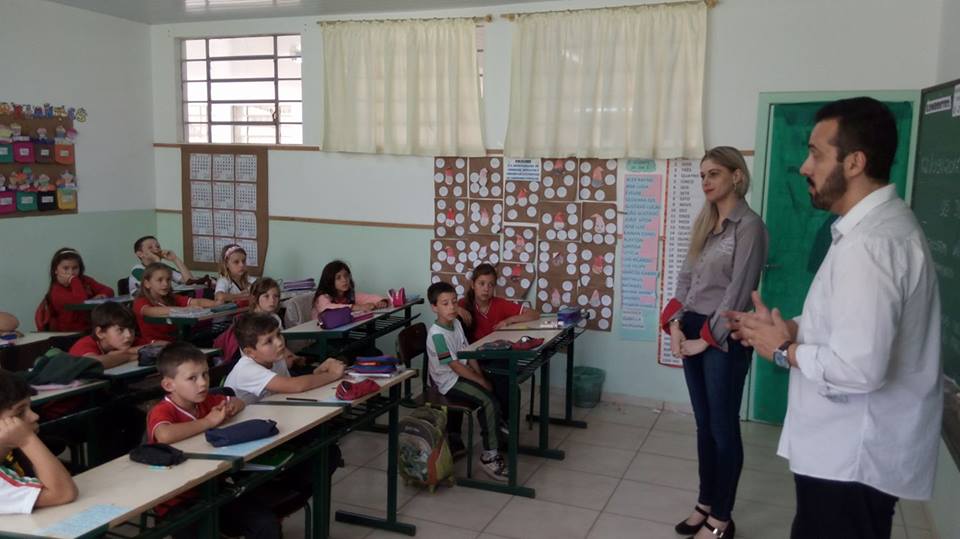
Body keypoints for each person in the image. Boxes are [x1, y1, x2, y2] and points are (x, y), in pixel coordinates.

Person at [730, 97, 941, 539]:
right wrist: (792, 327)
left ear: (855, 162)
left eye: (816, 153)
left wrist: (784, 350)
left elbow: (860, 368)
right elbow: (852, 323)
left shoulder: (873, 246)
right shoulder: (872, 229)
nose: (805, 167)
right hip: (846, 456)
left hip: (852, 458)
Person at [659, 146, 768, 539]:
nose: (706, 182)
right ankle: (704, 502)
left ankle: (722, 516)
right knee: (704, 425)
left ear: (737, 176)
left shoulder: (750, 226)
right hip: (691, 328)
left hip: (723, 336)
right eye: (702, 175)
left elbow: (737, 293)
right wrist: (674, 325)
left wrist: (705, 340)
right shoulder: (704, 222)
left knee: (723, 428)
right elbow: (685, 280)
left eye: (714, 174)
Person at [146, 342, 280, 539]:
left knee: (265, 524)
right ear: (169, 384)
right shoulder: (163, 410)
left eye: (205, 374)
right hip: (177, 500)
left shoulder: (205, 399)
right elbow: (164, 434)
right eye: (192, 378)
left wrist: (233, 405)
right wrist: (208, 422)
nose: (202, 383)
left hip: (213, 487)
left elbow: (238, 401)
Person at [449, 263, 539, 453]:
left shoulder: (498, 304)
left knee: (506, 378)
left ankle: (503, 428)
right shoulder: (463, 304)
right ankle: (498, 428)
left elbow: (534, 314)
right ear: (473, 285)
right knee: (501, 378)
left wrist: (508, 320)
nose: (486, 289)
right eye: (481, 283)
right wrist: (457, 309)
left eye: (490, 285)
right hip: (470, 360)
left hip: (492, 356)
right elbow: (444, 310)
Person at [426, 281, 509, 482]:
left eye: (454, 302)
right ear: (434, 307)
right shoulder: (437, 336)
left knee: (497, 383)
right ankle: (489, 456)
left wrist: (481, 376)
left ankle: (498, 431)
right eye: (445, 303)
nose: (452, 307)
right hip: (447, 382)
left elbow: (468, 351)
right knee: (488, 401)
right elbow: (455, 366)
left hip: (461, 373)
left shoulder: (455, 323)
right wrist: (480, 382)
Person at [0, 369, 77, 514]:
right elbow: (63, 493)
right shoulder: (21, 441)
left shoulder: (11, 448)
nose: (35, 416)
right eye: (20, 412)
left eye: (30, 408)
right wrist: (27, 440)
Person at [224, 312, 345, 403]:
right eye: (268, 341)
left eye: (278, 334)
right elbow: (296, 386)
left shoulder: (276, 357)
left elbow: (287, 388)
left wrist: (318, 373)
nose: (279, 343)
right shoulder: (247, 369)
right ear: (250, 352)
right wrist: (332, 375)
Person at [133, 263, 219, 344]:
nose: (165, 284)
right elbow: (151, 311)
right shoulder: (140, 301)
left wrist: (217, 303)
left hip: (174, 341)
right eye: (160, 280)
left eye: (168, 280)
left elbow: (197, 301)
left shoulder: (171, 298)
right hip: (153, 344)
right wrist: (183, 310)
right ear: (147, 284)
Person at [41, 247, 114, 331]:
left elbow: (109, 291)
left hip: (91, 328)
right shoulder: (56, 291)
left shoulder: (85, 280)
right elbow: (81, 302)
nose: (71, 272)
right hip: (70, 333)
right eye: (65, 268)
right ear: (55, 270)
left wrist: (101, 296)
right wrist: (74, 280)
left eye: (75, 268)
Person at [69, 302, 150, 369]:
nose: (128, 335)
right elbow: (93, 363)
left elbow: (157, 347)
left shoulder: (128, 341)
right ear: (100, 333)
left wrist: (125, 352)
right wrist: (128, 357)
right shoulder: (84, 345)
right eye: (120, 330)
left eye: (131, 329)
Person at [312, 260, 387, 318]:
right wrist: (356, 307)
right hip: (325, 335)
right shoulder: (322, 297)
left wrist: (382, 301)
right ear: (329, 281)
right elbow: (327, 307)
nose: (344, 280)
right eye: (338, 278)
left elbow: (369, 298)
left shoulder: (349, 295)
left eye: (346, 275)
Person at [129, 235, 194, 295]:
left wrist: (175, 259)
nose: (156, 249)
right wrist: (156, 260)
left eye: (158, 246)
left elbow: (190, 281)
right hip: (145, 303)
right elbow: (158, 287)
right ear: (140, 254)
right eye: (150, 247)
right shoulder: (137, 269)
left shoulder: (163, 268)